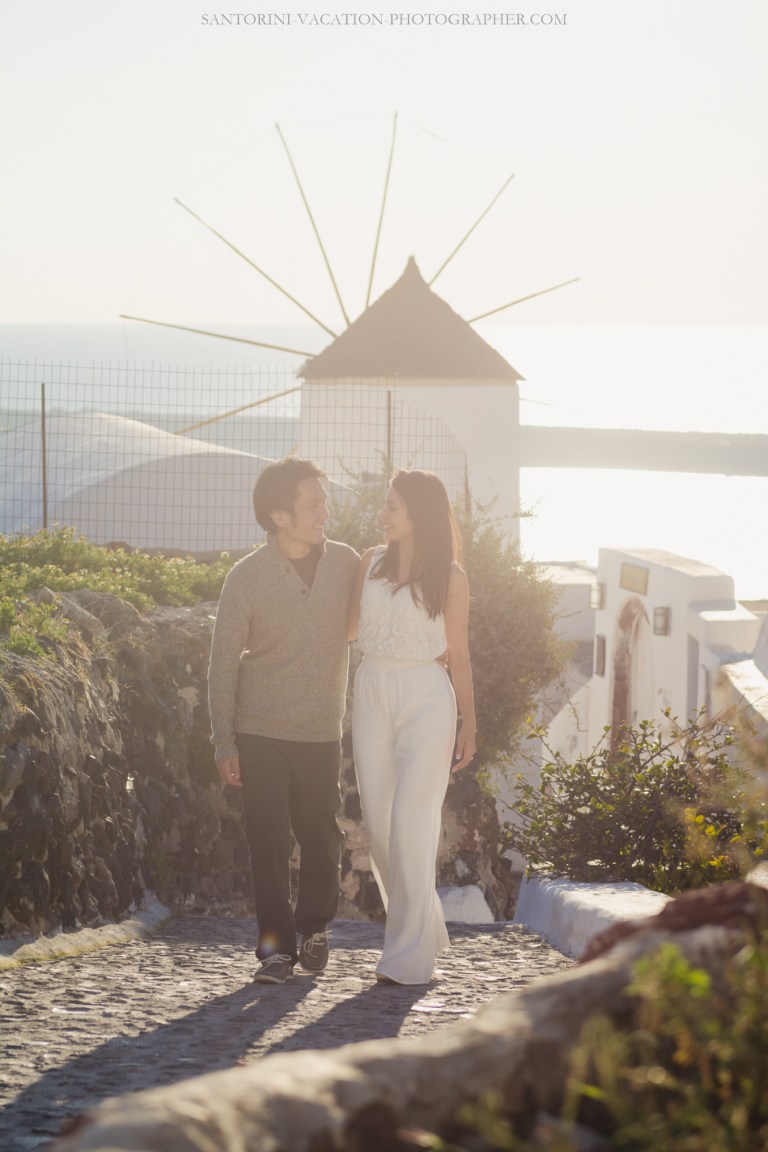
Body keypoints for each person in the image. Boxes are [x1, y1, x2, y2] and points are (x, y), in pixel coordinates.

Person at [208, 457, 359, 984]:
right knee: (268, 842)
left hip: (321, 729)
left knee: (322, 837)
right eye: (312, 504)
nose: (324, 512)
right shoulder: (245, 578)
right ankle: (276, 950)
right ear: (280, 516)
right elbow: (223, 662)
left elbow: (381, 616)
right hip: (260, 731)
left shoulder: (346, 563)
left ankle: (314, 927)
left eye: (323, 501)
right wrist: (224, 741)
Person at [348, 469, 476, 985]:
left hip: (427, 700)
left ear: (418, 513)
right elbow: (350, 629)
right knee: (379, 827)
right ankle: (424, 925)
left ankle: (405, 958)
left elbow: (461, 655)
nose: (383, 513)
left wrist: (471, 722)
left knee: (412, 823)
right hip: (372, 691)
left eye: (393, 506)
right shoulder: (369, 562)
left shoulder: (451, 576)